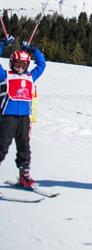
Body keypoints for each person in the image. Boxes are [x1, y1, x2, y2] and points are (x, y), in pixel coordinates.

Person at [0, 38, 46, 188]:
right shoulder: (5, 75)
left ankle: (24, 175)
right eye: (17, 64)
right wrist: (2, 45)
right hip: (8, 117)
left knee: (24, 147)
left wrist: (34, 50)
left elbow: (42, 64)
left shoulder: (30, 77)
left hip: (24, 118)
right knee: (2, 146)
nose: (20, 68)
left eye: (23, 65)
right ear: (12, 63)